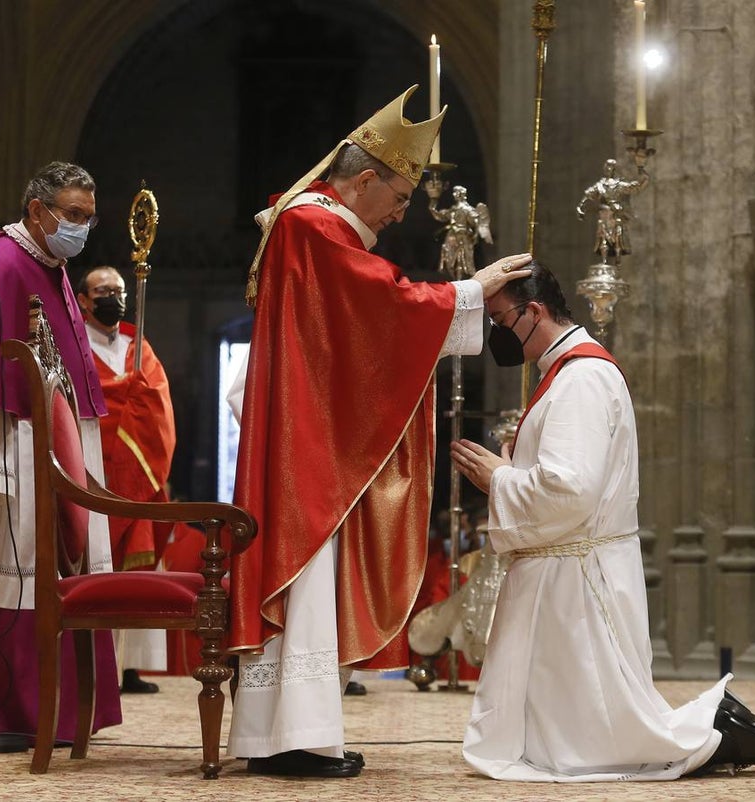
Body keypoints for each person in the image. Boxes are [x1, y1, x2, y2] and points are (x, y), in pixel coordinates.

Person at [226, 85, 533, 779]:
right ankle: (296, 740)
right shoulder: (314, 227)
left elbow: (356, 327)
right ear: (363, 180)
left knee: (312, 583)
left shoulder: (310, 227)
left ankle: (285, 735)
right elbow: (383, 305)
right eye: (396, 200)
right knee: (305, 578)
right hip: (306, 444)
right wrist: (471, 291)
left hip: (311, 427)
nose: (398, 217)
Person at [449, 264, 755, 781]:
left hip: (578, 575)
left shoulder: (582, 378)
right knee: (566, 733)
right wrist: (515, 470)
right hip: (564, 569)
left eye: (500, 319)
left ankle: (722, 735)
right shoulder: (566, 373)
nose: (496, 334)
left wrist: (501, 480)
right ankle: (717, 728)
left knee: (597, 741)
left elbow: (570, 490)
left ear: (534, 312)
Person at [0, 162, 122, 741]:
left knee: (59, 566)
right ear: (37, 211)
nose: (81, 229)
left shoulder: (50, 266)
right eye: (73, 216)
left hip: (51, 449)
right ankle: (14, 713)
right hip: (8, 453)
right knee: (11, 573)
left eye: (89, 218)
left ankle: (60, 712)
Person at [75, 265, 174, 694]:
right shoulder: (73, 345)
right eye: (102, 291)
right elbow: (86, 397)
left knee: (139, 567)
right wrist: (122, 392)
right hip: (93, 470)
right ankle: (92, 664)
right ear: (83, 299)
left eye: (118, 290)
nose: (112, 297)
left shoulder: (139, 346)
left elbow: (157, 401)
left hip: (138, 473)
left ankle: (131, 666)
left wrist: (133, 392)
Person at [575, 157, 649, 263]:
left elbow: (636, 187)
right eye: (607, 166)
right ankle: (604, 261)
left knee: (618, 239)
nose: (608, 169)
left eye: (611, 166)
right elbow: (588, 195)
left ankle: (617, 260)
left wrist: (643, 173)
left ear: (615, 169)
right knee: (603, 239)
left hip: (616, 216)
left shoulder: (619, 185)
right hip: (604, 216)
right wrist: (580, 207)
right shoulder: (600, 185)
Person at [429, 184, 492, 279]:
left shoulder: (468, 209)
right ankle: (454, 280)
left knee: (462, 262)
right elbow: (441, 216)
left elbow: (476, 222)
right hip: (451, 237)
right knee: (449, 261)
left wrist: (475, 233)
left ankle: (460, 282)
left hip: (463, 237)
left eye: (456, 192)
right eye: (454, 192)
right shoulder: (453, 209)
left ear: (462, 194)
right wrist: (433, 204)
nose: (454, 194)